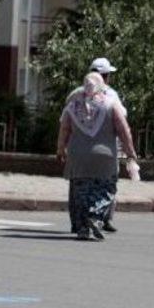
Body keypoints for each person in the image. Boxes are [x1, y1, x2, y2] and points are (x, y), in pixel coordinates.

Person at [57, 72, 138, 241]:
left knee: (81, 193)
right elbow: (124, 130)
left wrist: (60, 149)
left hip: (77, 156)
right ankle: (94, 217)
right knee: (106, 189)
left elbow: (64, 129)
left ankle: (82, 230)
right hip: (105, 157)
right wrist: (130, 152)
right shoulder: (110, 104)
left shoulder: (72, 107)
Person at [65, 57, 126, 232]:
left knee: (78, 186)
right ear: (105, 77)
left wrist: (61, 146)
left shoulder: (76, 94)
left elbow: (65, 121)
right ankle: (101, 218)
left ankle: (78, 222)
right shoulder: (110, 95)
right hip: (105, 150)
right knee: (107, 184)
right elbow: (122, 118)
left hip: (77, 149)